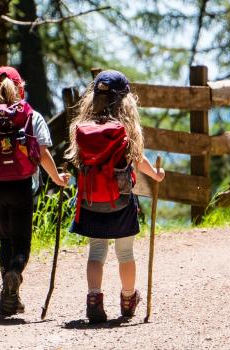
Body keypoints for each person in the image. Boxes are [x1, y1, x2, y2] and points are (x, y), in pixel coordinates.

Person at [0, 66, 69, 316]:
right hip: (22, 186)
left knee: (5, 239)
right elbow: (43, 154)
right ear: (20, 87)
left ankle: (8, 297)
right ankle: (14, 275)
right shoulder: (31, 116)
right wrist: (57, 178)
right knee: (22, 243)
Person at [65, 70, 165, 323]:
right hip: (119, 202)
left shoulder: (82, 128)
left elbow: (77, 161)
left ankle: (93, 298)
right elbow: (137, 160)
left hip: (90, 201)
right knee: (125, 253)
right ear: (125, 100)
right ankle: (129, 298)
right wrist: (156, 175)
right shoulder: (125, 128)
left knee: (96, 251)